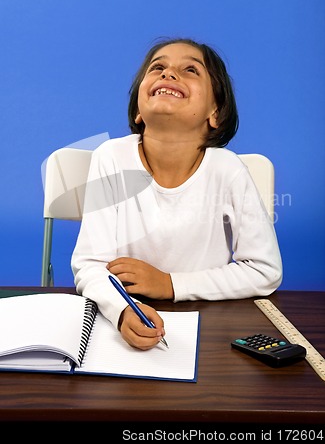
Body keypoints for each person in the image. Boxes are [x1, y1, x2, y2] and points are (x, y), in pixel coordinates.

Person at [71, 37, 282, 351]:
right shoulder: (110, 157)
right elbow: (90, 264)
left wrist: (170, 284)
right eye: (158, 67)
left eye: (191, 70)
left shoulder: (228, 170)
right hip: (129, 320)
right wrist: (121, 310)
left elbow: (264, 271)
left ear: (216, 113)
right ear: (138, 112)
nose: (169, 74)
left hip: (209, 328)